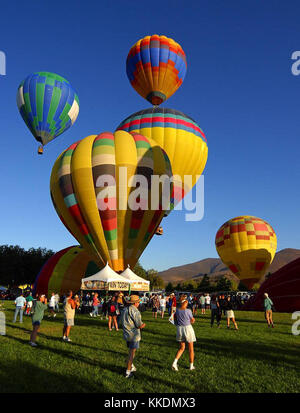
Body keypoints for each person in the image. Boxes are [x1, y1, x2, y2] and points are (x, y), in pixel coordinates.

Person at [121, 295, 146, 378]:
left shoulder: (124, 309)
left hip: (126, 333)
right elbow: (139, 325)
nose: (139, 303)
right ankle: (128, 372)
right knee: (132, 353)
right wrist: (143, 325)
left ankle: (131, 366)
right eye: (138, 302)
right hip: (134, 335)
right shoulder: (135, 311)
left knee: (130, 351)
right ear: (135, 303)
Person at [172, 295, 196, 371]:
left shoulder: (177, 310)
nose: (187, 303)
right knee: (191, 349)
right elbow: (192, 320)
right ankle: (191, 366)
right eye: (186, 302)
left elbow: (175, 319)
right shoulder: (188, 311)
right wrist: (192, 320)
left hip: (179, 329)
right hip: (187, 328)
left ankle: (175, 362)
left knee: (182, 348)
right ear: (184, 303)